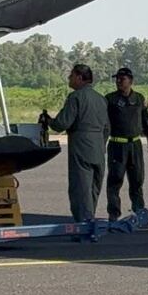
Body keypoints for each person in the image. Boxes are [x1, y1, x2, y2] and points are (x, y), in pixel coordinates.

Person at [40, 64, 110, 223]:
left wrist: (48, 120)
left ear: (80, 77)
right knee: (93, 188)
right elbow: (107, 128)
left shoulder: (76, 97)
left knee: (81, 188)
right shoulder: (101, 99)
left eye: (71, 75)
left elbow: (61, 124)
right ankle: (90, 218)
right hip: (98, 148)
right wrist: (100, 144)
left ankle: (84, 225)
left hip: (81, 147)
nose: (69, 79)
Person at [104, 67, 148, 222]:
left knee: (137, 180)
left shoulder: (139, 99)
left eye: (122, 79)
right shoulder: (109, 99)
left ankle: (139, 210)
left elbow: (147, 120)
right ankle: (114, 213)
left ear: (131, 81)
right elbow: (103, 124)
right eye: (117, 79)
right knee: (115, 181)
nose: (119, 81)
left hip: (135, 145)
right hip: (117, 146)